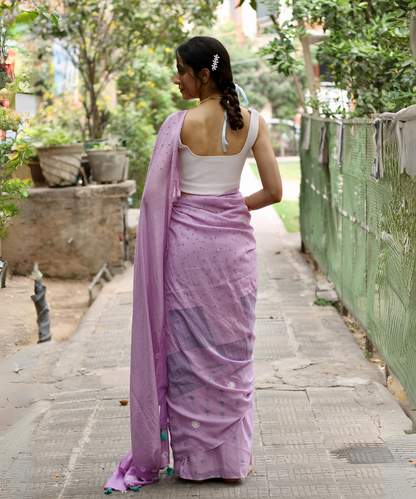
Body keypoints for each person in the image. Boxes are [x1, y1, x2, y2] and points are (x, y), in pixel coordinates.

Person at [104, 36, 282, 493]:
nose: (177, 78)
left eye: (182, 70)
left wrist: (194, 212)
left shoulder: (178, 124)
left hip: (185, 249)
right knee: (234, 351)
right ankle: (232, 463)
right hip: (234, 252)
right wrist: (231, 207)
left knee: (188, 351)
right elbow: (274, 193)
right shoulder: (254, 122)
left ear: (204, 75)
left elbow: (153, 198)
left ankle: (195, 465)